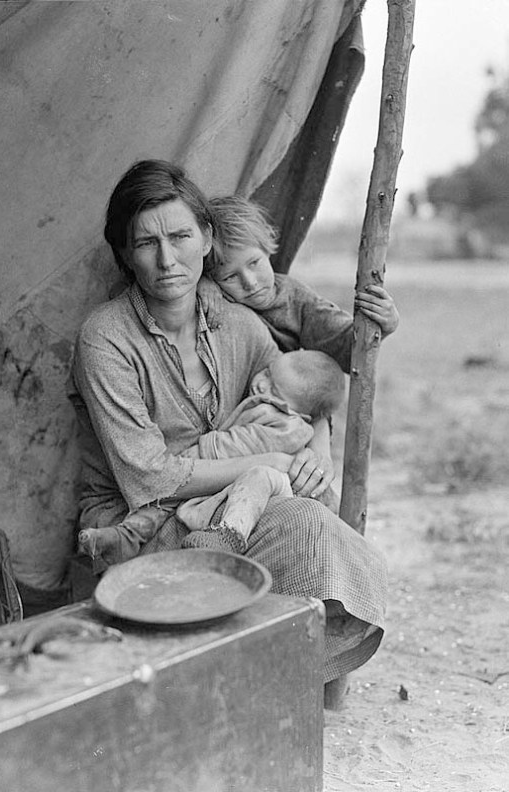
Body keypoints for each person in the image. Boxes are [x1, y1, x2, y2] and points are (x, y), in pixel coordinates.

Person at [68, 159, 387, 685]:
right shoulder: (106, 339)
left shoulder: (238, 323)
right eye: (146, 243)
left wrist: (315, 452)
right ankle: (241, 678)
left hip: (228, 515)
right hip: (138, 522)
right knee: (302, 521)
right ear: (125, 254)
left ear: (206, 239)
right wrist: (272, 461)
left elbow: (298, 399)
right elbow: (146, 478)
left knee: (314, 514)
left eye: (180, 236)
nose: (168, 259)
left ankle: (260, 680)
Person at [78, 348, 345, 563]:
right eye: (267, 372)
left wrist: (201, 452)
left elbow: (241, 444)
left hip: (247, 481)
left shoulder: (289, 427)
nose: (261, 384)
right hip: (227, 476)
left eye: (274, 390)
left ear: (302, 413)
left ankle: (228, 537)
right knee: (160, 506)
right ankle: (123, 538)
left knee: (184, 497)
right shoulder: (271, 403)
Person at [203, 194, 400, 375]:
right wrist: (202, 285)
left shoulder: (296, 298)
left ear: (267, 250)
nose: (250, 283)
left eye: (254, 263)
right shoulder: (210, 295)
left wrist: (382, 325)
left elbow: (345, 347)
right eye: (230, 277)